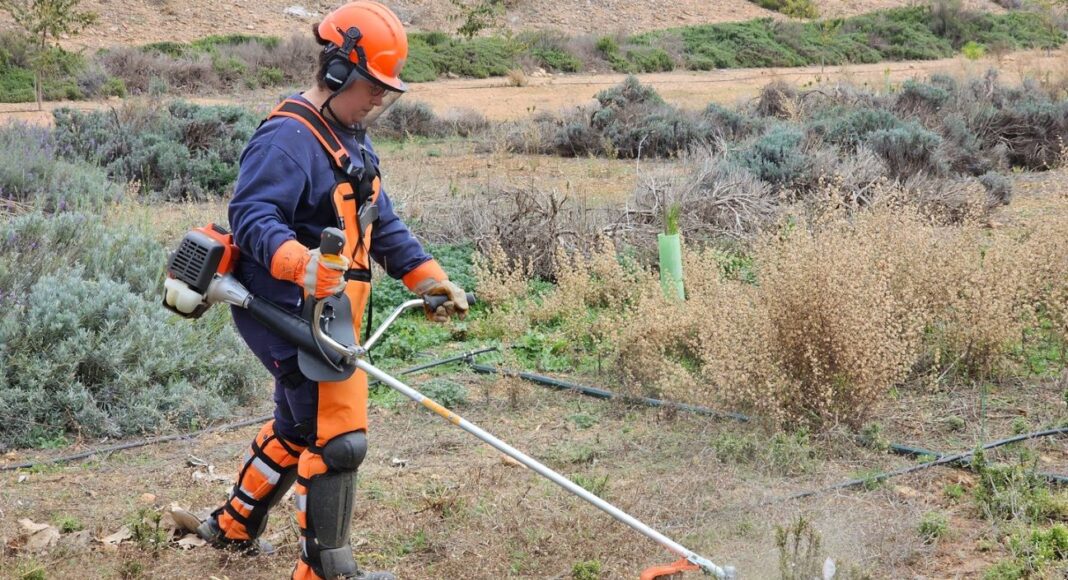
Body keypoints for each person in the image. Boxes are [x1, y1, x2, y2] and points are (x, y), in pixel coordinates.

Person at [173, 3, 469, 578]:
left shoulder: (351, 136)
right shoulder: (287, 137)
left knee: (296, 425)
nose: (379, 99)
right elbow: (253, 215)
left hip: (324, 312)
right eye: (370, 86)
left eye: (388, 90)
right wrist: (302, 263)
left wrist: (427, 277)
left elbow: (379, 221)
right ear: (335, 72)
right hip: (277, 306)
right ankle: (327, 570)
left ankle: (232, 524)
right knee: (337, 438)